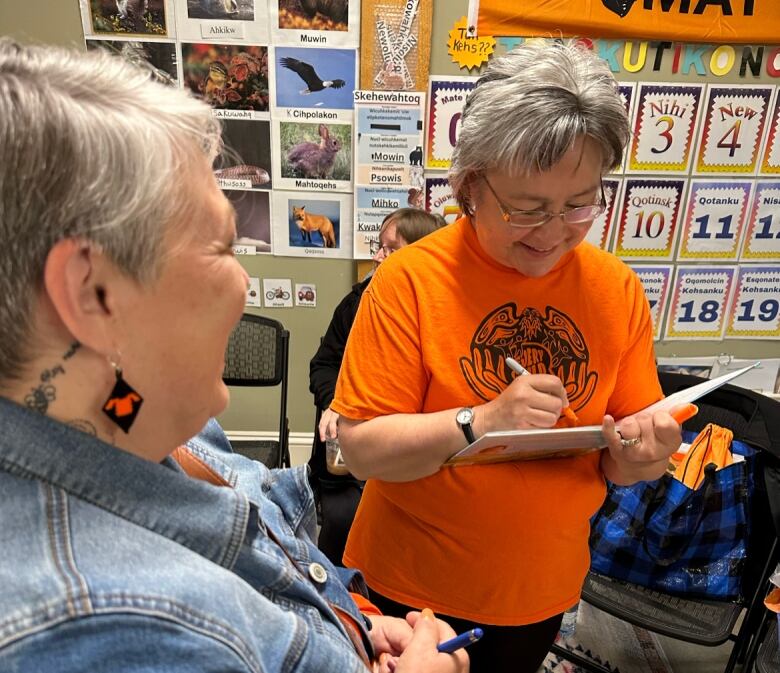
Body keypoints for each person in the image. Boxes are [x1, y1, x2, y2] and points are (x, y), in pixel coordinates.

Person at [0, 40, 468, 673]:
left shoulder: (121, 401)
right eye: (222, 245)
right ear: (94, 292)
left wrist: (347, 618)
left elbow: (244, 507)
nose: (242, 281)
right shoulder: (110, 627)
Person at [331, 40, 684, 673]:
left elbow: (625, 454)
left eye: (579, 204)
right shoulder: (411, 280)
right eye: (526, 209)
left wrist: (642, 456)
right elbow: (359, 448)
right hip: (409, 593)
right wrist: (482, 421)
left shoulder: (615, 290)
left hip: (541, 592)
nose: (552, 234)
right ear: (469, 185)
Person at [309, 208, 445, 564]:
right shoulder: (355, 303)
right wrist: (334, 403)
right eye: (379, 247)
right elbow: (323, 365)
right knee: (342, 520)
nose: (377, 257)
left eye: (389, 249)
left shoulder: (442, 315)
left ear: (422, 254)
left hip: (413, 461)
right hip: (348, 459)